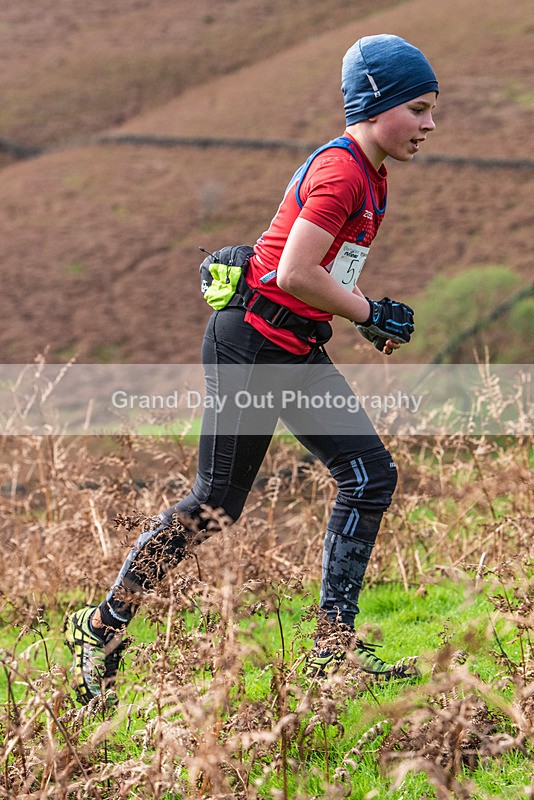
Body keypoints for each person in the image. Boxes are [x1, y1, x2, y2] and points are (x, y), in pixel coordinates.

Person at [64, 34, 438, 704]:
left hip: (292, 346)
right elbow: (294, 271)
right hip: (251, 346)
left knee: (369, 474)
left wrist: (359, 313)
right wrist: (368, 312)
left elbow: (312, 272)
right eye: (420, 107)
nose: (432, 125)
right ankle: (100, 627)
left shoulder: (370, 173)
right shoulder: (345, 171)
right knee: (214, 503)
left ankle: (334, 649)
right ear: (377, 103)